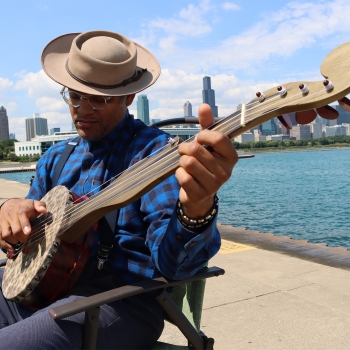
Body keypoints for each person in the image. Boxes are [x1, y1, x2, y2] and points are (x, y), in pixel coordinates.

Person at [0, 30, 237, 349]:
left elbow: (178, 267)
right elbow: (25, 237)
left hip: (121, 303)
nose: (82, 109)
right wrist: (10, 215)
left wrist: (195, 212)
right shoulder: (55, 157)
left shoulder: (154, 155)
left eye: (97, 99)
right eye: (74, 96)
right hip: (47, 289)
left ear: (128, 98)